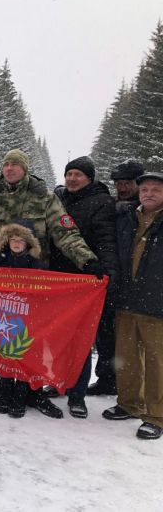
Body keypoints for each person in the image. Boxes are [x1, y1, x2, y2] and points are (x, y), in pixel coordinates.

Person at [0, 149, 102, 419]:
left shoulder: (44, 198)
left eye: (15, 164)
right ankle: (6, 381)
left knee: (32, 337)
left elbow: (65, 233)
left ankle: (32, 387)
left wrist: (87, 261)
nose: (10, 168)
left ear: (24, 168)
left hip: (34, 281)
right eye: (6, 164)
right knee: (3, 334)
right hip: (1, 280)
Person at [49, 156, 118, 417]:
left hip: (83, 281)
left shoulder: (101, 202)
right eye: (69, 174)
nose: (72, 179)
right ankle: (57, 382)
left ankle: (77, 394)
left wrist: (106, 272)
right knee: (57, 338)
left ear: (90, 178)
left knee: (81, 340)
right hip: (56, 280)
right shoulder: (59, 200)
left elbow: (106, 240)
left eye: (78, 174)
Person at [103, 172, 163, 440]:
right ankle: (129, 404)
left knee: (156, 361)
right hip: (126, 297)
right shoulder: (128, 217)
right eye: (145, 189)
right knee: (125, 356)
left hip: (157, 301)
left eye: (155, 190)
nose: (148, 193)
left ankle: (155, 415)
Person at [87, 159, 146, 395]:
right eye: (119, 183)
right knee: (106, 334)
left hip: (136, 283)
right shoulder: (112, 207)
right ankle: (106, 379)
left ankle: (129, 388)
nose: (123, 188)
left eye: (128, 183)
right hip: (111, 279)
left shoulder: (144, 211)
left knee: (131, 340)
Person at [0, 220, 46, 418]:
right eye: (12, 239)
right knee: (4, 356)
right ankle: (5, 394)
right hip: (3, 316)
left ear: (28, 243)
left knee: (24, 357)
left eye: (21, 240)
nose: (16, 243)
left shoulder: (37, 264)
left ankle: (20, 396)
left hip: (27, 319)